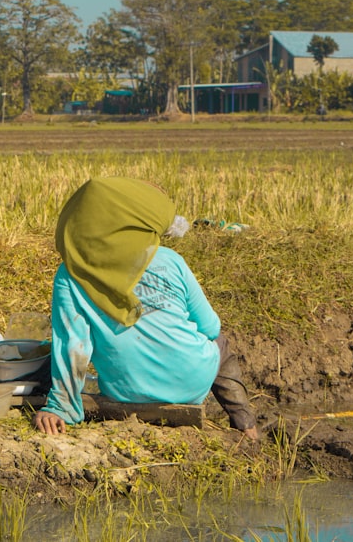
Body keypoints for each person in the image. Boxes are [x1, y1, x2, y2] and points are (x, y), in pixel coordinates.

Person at [33, 177, 258, 440]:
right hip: (192, 385)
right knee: (220, 343)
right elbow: (210, 327)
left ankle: (245, 427)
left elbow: (73, 345)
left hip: (127, 392)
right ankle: (247, 427)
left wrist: (60, 407)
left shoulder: (71, 274)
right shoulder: (170, 260)